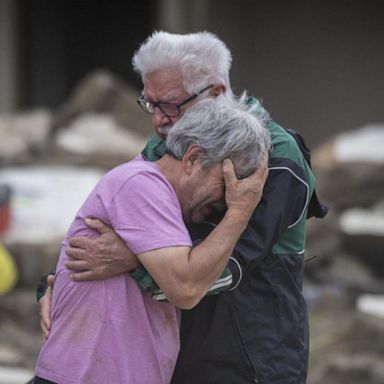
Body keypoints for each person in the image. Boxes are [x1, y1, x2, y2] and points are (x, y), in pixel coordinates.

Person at [38, 31, 327, 384]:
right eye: (150, 103)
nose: (159, 119)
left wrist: (134, 258)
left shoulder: (275, 157)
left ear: (217, 93)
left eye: (171, 104)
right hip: (179, 354)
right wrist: (57, 282)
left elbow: (230, 263)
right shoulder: (164, 145)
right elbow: (112, 221)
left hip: (254, 359)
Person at [33, 96, 270, 384]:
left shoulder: (161, 199)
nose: (226, 200)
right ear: (193, 159)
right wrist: (241, 211)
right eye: (225, 184)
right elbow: (186, 286)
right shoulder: (141, 186)